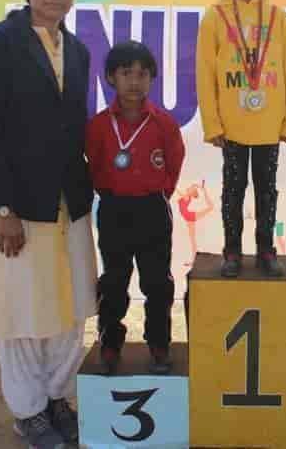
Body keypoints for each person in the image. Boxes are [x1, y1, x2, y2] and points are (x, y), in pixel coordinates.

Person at [0, 0, 97, 448]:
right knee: (18, 312)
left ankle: (58, 398)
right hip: (14, 206)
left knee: (70, 306)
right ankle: (29, 412)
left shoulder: (79, 51)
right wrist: (4, 208)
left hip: (68, 202)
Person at [196, 0, 286, 278]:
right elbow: (205, 74)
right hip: (232, 125)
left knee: (267, 192)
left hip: (269, 123)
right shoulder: (215, 17)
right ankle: (232, 252)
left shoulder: (278, 17)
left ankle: (266, 249)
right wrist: (212, 123)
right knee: (233, 192)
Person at [86, 41, 185, 375]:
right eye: (126, 73)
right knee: (114, 281)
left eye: (142, 74)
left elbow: (174, 162)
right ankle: (110, 344)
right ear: (111, 77)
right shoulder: (99, 125)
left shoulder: (164, 123)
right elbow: (94, 164)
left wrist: (158, 193)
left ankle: (159, 344)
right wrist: (111, 193)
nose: (134, 82)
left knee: (157, 282)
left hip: (152, 209)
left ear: (152, 79)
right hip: (114, 209)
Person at [176, 180, 215, 266]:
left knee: (210, 207)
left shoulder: (186, 196)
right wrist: (199, 186)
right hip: (189, 219)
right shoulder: (187, 196)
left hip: (190, 217)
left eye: (190, 189)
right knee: (193, 240)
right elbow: (193, 185)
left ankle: (193, 260)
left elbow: (178, 190)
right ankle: (193, 260)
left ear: (191, 192)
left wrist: (202, 189)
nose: (189, 188)